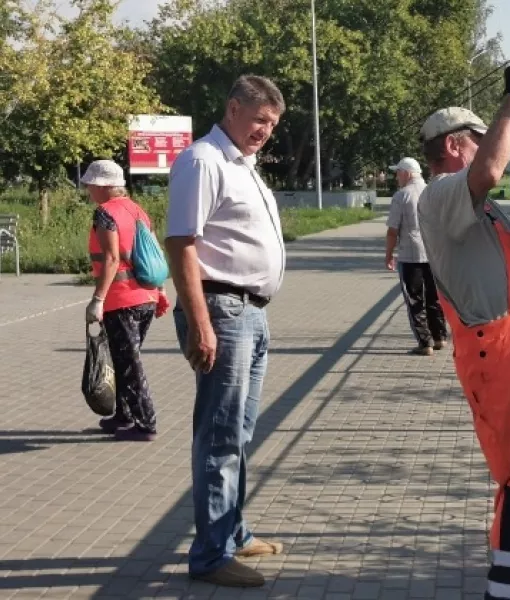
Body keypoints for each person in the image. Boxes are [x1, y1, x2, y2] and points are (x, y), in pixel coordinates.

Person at [417, 59, 510, 600]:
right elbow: (491, 170)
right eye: (479, 139)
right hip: (498, 361)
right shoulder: (439, 195)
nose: (488, 147)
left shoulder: (489, 213)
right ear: (454, 145)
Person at [165, 75, 287, 588]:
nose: (265, 130)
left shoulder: (242, 165)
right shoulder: (203, 161)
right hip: (221, 310)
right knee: (219, 435)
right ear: (233, 108)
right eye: (259, 119)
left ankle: (233, 533)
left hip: (250, 311)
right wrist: (200, 322)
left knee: (238, 432)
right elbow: (181, 242)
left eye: (272, 124)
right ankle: (211, 556)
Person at [82, 159, 169, 442]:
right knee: (123, 360)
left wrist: (97, 299)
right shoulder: (137, 210)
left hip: (122, 300)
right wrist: (161, 290)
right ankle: (124, 415)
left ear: (104, 186)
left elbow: (111, 258)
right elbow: (154, 253)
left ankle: (145, 422)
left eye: (91, 185)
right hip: (146, 298)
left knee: (129, 364)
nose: (88, 190)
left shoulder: (105, 213)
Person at [385, 156, 447, 355]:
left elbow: (392, 230)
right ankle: (440, 337)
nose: (397, 177)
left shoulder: (401, 196)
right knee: (434, 297)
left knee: (415, 299)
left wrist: (389, 255)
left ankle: (425, 342)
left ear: (406, 173)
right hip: (434, 254)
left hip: (411, 255)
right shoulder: (434, 192)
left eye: (398, 173)